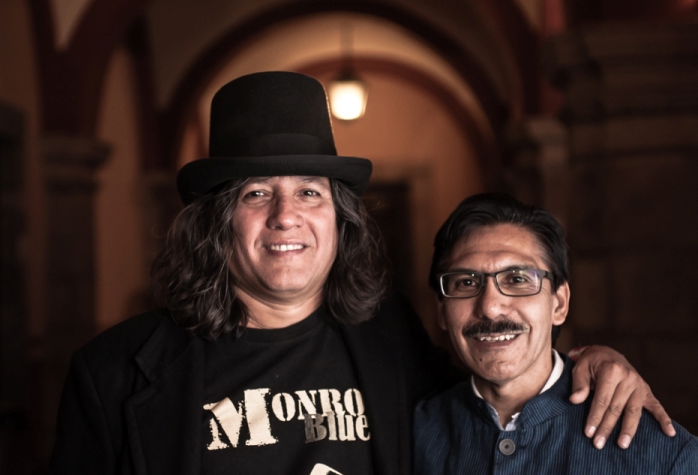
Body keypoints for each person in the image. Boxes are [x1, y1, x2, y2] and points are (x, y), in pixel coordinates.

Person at [50, 72, 672, 475]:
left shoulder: (390, 336)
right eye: (256, 193)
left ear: (339, 219)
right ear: (217, 222)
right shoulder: (112, 375)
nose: (286, 216)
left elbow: (500, 380)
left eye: (310, 192)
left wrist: (591, 361)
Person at [415, 193, 697, 474]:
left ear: (559, 304)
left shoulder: (665, 456)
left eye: (517, 279)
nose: (489, 307)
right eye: (466, 282)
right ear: (442, 311)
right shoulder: (413, 436)